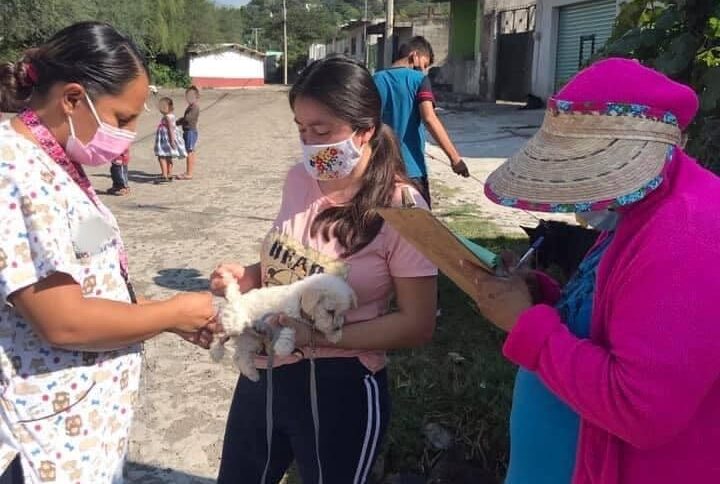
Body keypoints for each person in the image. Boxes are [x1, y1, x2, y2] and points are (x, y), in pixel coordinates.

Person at [462, 58, 720, 483]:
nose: (581, 200)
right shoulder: (634, 211)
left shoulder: (687, 236)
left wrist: (526, 325)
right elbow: (609, 317)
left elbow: (641, 411)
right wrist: (537, 295)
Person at [0, 22, 217, 483]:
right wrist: (170, 314)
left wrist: (157, 314)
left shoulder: (61, 166)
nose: (128, 134)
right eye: (122, 119)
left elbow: (96, 279)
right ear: (73, 99)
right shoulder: (13, 169)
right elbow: (63, 319)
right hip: (45, 439)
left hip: (84, 432)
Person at [211, 56, 438, 483]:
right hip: (267, 369)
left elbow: (418, 323)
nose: (310, 142)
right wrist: (247, 276)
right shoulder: (298, 179)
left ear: (364, 129)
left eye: (322, 130)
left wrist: (315, 335)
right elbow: (289, 259)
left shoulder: (401, 207)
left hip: (342, 384)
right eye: (301, 129)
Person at [373, 36, 469, 207]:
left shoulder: (375, 79)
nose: (423, 71)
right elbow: (429, 119)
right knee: (419, 228)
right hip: (411, 170)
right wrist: (455, 159)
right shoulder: (419, 80)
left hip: (379, 169)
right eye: (424, 65)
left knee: (384, 227)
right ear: (414, 55)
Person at [153, 96, 186, 183]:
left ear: (170, 107)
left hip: (166, 140)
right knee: (168, 157)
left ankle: (164, 175)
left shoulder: (167, 117)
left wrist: (172, 140)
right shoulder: (172, 116)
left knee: (161, 156)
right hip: (168, 139)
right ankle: (169, 174)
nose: (162, 108)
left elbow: (171, 129)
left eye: (164, 106)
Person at [176, 85, 200, 180]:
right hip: (188, 131)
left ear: (197, 97)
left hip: (190, 131)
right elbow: (186, 118)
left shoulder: (195, 107)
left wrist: (180, 121)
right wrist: (177, 122)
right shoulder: (190, 107)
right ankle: (189, 171)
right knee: (190, 151)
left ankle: (189, 173)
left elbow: (188, 118)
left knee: (189, 151)